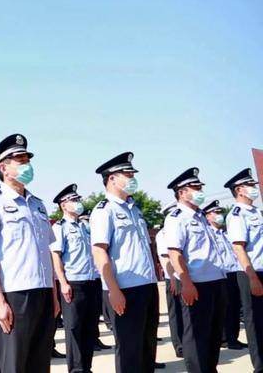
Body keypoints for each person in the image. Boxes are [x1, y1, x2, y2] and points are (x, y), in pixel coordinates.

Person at [0, 134, 59, 372]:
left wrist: (52, 293)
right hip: (16, 294)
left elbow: (46, 251)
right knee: (15, 363)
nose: (27, 165)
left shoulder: (38, 204)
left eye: (27, 159)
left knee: (40, 362)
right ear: (3, 167)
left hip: (43, 292)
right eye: (20, 160)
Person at [90, 152, 159, 373]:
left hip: (147, 286)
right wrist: (113, 290)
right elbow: (100, 252)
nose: (131, 177)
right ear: (111, 178)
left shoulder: (134, 209)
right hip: (125, 289)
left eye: (132, 173)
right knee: (129, 349)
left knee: (147, 346)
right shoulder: (104, 211)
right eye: (126, 173)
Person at [164, 167, 226, 373]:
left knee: (214, 333)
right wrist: (187, 283)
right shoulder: (176, 217)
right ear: (181, 192)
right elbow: (175, 253)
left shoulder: (200, 216)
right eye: (195, 187)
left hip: (216, 280)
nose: (200, 190)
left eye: (200, 186)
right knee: (196, 335)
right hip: (196, 283)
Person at [51, 184, 99, 373]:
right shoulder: (59, 228)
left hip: (92, 280)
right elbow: (56, 256)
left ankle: (86, 367)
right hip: (74, 283)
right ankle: (76, 370)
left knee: (89, 326)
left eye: (78, 199)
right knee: (74, 329)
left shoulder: (85, 226)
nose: (78, 203)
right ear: (64, 205)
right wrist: (63, 282)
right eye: (74, 200)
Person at [225, 168, 263, 371]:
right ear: (239, 190)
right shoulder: (237, 215)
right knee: (255, 321)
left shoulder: (257, 212)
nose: (254, 189)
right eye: (250, 186)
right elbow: (239, 247)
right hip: (251, 271)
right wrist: (253, 278)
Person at [203, 199, 247, 350]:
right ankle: (224, 338)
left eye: (220, 212)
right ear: (207, 216)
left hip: (234, 272)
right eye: (215, 212)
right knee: (225, 309)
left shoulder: (225, 234)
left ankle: (233, 337)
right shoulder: (208, 233)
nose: (219, 215)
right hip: (222, 274)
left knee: (234, 307)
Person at [78, 210, 111, 352]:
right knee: (78, 321)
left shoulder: (86, 230)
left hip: (94, 275)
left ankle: (94, 340)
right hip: (77, 279)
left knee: (94, 314)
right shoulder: (61, 227)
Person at [155, 203, 184, 358]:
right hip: (174, 278)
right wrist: (172, 277)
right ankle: (179, 345)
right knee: (176, 313)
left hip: (186, 276)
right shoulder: (163, 234)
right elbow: (165, 258)